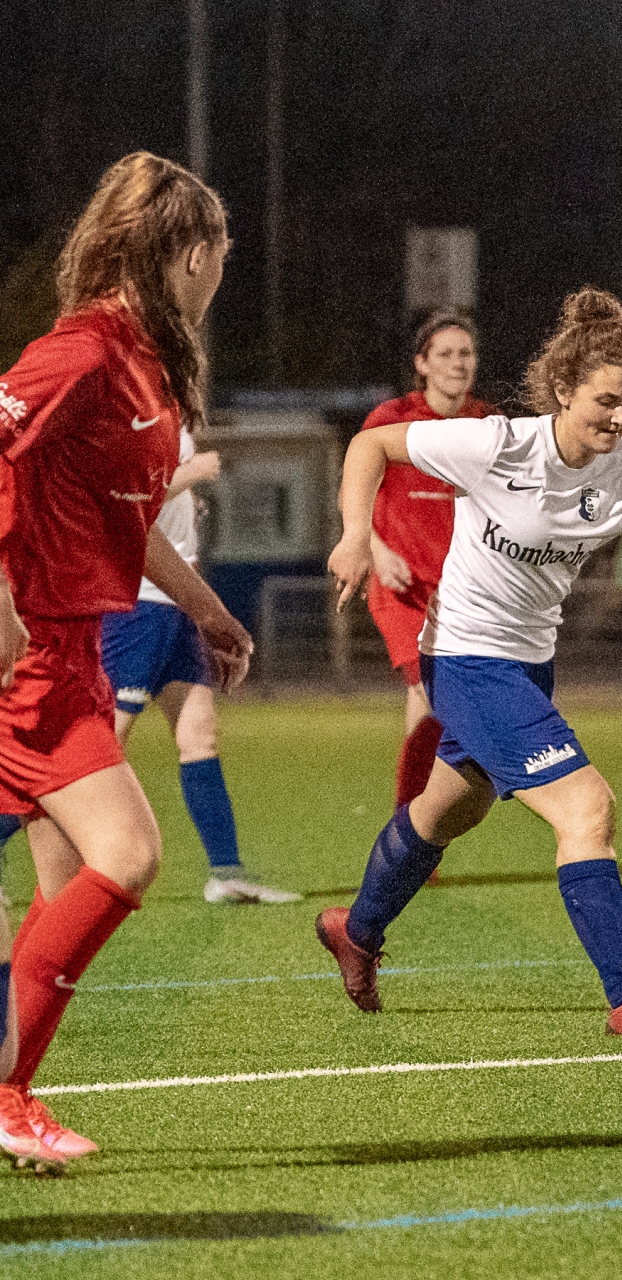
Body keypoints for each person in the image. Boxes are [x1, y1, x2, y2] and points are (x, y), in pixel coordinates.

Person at [317, 287, 622, 1038]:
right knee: (588, 808)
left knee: (450, 809)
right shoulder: (498, 444)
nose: (620, 417)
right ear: (563, 389)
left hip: (529, 666)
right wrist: (357, 535)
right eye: (606, 400)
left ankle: (355, 930)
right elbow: (369, 446)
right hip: (463, 657)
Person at [0, 152, 251, 1171]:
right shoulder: (84, 352)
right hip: (31, 661)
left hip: (77, 656)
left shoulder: (147, 361)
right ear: (190, 255)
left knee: (65, 882)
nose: (223, 271)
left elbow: (126, 519)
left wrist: (206, 608)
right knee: (128, 852)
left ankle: (10, 1093)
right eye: (222, 251)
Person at [100, 432, 300, 904]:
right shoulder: (134, 412)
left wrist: (186, 503)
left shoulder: (172, 417)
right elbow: (119, 494)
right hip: (139, 604)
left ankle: (225, 874)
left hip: (178, 605)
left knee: (200, 736)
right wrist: (192, 473)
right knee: (99, 748)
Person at [359, 313, 493, 813]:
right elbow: (354, 492)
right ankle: (412, 820)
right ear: (421, 363)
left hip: (464, 594)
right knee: (429, 690)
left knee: (436, 705)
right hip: (404, 589)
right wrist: (377, 551)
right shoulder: (392, 419)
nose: (458, 363)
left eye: (466, 353)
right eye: (445, 354)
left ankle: (418, 820)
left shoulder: (487, 424)